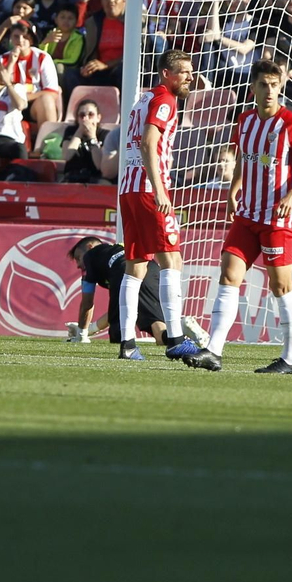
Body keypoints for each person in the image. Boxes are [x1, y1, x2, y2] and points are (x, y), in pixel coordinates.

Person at [186, 59, 292, 374]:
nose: (269, 91)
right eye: (263, 84)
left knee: (280, 285)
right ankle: (214, 351)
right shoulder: (245, 120)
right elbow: (243, 160)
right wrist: (233, 189)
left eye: (275, 85)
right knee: (229, 275)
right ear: (253, 87)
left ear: (281, 87)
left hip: (277, 220)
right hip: (247, 215)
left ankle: (290, 359)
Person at [116, 49, 198, 363]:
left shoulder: (142, 99)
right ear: (166, 73)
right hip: (150, 189)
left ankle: (127, 343)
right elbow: (149, 142)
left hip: (128, 188)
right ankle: (176, 337)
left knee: (135, 266)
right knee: (171, 259)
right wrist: (160, 189)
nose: (190, 77)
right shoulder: (165, 100)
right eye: (184, 72)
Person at [67, 236, 167, 346]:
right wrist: (91, 328)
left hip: (124, 270)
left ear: (90, 247)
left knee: (119, 335)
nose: (78, 265)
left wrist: (81, 334)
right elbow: (120, 307)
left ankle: (128, 350)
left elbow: (87, 303)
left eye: (78, 258)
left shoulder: (90, 256)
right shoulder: (118, 248)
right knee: (158, 330)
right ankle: (181, 329)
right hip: (152, 268)